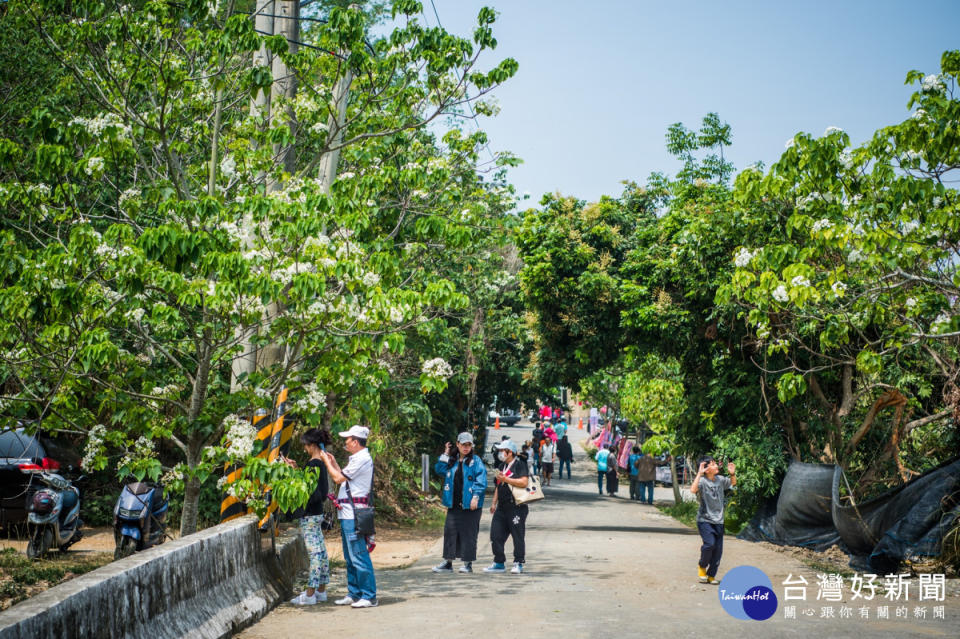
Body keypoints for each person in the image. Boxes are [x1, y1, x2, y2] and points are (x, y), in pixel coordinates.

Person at [319, 425, 378, 608]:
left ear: (355, 441)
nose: (345, 442)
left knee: (358, 555)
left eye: (347, 439)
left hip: (354, 514)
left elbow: (337, 479)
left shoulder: (362, 459)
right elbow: (343, 476)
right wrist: (334, 462)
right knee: (350, 555)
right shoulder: (357, 459)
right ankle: (354, 593)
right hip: (347, 513)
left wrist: (326, 462)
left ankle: (369, 595)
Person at [286, 428, 333, 605]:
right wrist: (298, 469)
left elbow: (312, 492)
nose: (305, 448)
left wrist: (293, 474)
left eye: (306, 445)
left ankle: (310, 593)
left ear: (312, 445)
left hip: (310, 515)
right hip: (317, 514)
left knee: (314, 555)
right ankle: (321, 590)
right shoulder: (321, 462)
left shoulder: (313, 464)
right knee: (320, 552)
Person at [432, 432, 486, 574]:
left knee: (469, 534)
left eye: (469, 445)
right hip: (454, 503)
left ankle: (467, 564)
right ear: (457, 444)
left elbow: (481, 481)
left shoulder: (476, 461)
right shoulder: (452, 460)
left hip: (471, 505)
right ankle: (448, 563)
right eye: (463, 445)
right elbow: (439, 469)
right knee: (450, 531)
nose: (466, 448)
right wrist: (445, 454)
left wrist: (475, 496)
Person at [690, 455, 737, 585]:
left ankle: (711, 575)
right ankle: (702, 566)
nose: (716, 465)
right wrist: (699, 474)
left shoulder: (720, 480)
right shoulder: (703, 481)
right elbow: (693, 490)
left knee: (718, 550)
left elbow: (733, 483)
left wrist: (732, 474)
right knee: (709, 544)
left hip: (719, 521)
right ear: (706, 469)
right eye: (713, 464)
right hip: (705, 519)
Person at [484, 440, 529, 575]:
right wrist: (493, 502)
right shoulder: (502, 466)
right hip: (502, 507)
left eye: (502, 450)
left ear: (510, 452)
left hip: (516, 506)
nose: (500, 453)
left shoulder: (520, 465)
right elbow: (499, 485)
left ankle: (518, 562)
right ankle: (499, 562)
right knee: (495, 534)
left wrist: (507, 480)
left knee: (517, 534)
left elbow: (524, 482)